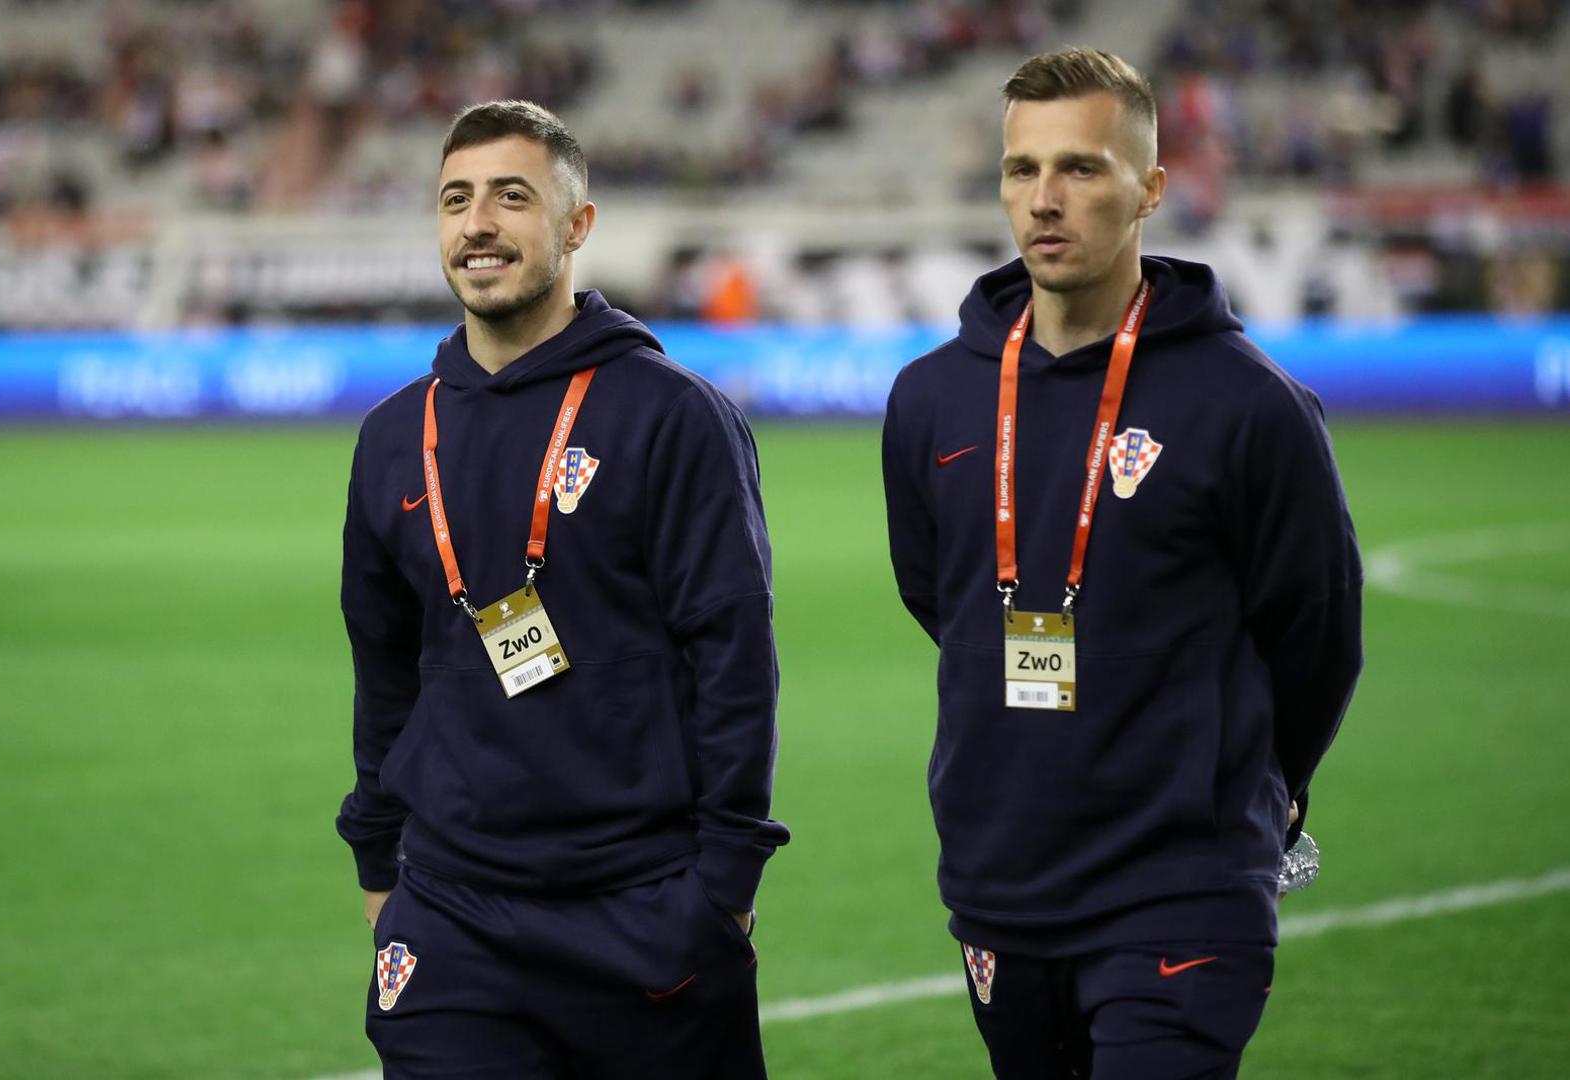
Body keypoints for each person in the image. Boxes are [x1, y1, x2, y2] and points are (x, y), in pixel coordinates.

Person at [880, 48, 1362, 1078]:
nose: (1045, 201)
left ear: (1148, 190)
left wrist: (1245, 788)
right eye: (1022, 171)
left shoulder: (1250, 408)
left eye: (1082, 170)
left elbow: (1316, 639)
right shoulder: (930, 400)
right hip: (1000, 880)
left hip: (1181, 885)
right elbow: (946, 602)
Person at [335, 99, 787, 1079]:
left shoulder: (674, 419)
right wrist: (381, 866)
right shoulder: (389, 437)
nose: (478, 223)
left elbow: (735, 664)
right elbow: (382, 674)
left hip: (643, 912)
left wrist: (722, 887)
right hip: (450, 915)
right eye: (456, 199)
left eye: (511, 197)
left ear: (577, 226)